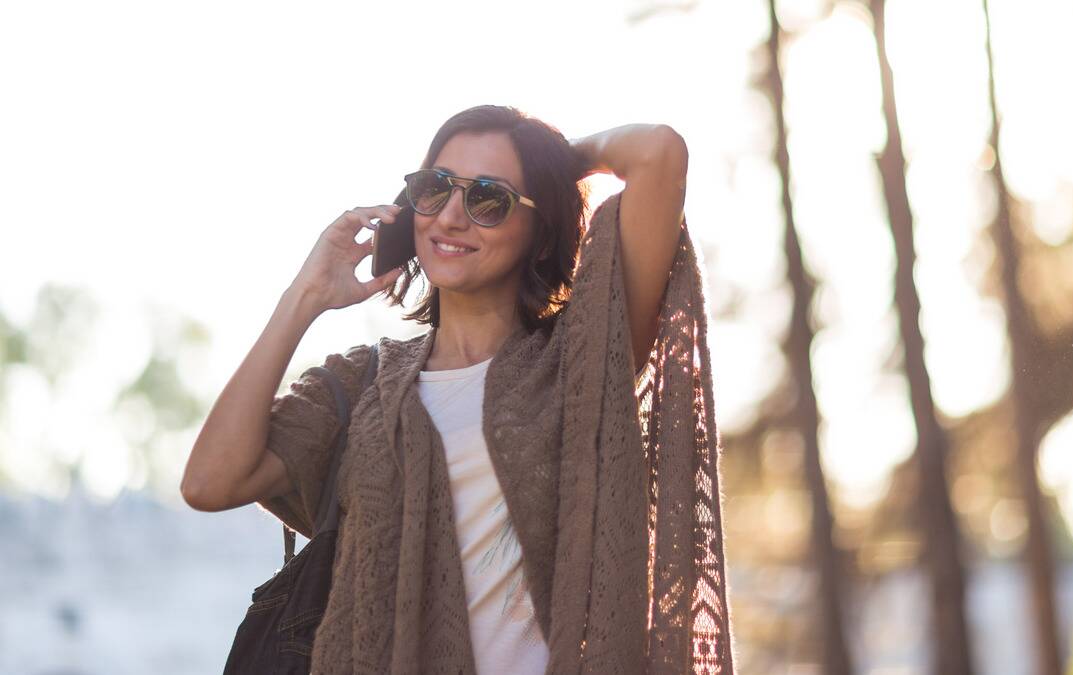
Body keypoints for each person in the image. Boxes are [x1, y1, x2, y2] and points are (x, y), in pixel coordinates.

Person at [181, 104, 734, 674]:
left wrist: (555, 161)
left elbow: (659, 153)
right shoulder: (356, 385)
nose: (450, 217)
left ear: (541, 235)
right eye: (434, 188)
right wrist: (305, 298)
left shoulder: (582, 362)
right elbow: (209, 482)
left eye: (488, 199)